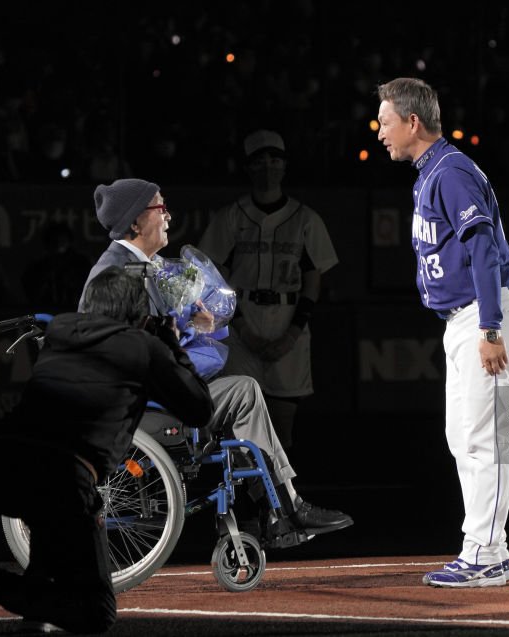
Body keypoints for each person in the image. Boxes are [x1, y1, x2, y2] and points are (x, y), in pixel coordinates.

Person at [0, 266, 214, 634]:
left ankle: (25, 610)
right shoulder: (144, 347)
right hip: (61, 477)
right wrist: (171, 345)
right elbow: (199, 410)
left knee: (51, 532)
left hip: (0, 464)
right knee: (95, 613)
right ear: (139, 312)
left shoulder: (61, 331)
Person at [79, 178, 352, 537]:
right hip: (142, 404)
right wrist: (180, 335)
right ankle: (285, 507)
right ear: (134, 221)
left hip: (151, 393)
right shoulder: (117, 273)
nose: (168, 217)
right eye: (160, 208)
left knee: (240, 388)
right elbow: (126, 349)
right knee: (244, 392)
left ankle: (272, 509)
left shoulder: (145, 266)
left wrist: (193, 321)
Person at [376, 78, 509, 587]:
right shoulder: (431, 172)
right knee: (463, 437)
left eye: (386, 121)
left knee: (484, 439)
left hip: (486, 316)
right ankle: (491, 547)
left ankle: (485, 553)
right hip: (466, 320)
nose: (380, 132)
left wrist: (490, 327)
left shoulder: (451, 172)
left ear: (412, 122)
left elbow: (483, 248)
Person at [198, 130, 339, 450]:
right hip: (241, 320)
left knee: (282, 423)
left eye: (274, 159)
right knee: (239, 423)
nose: (268, 167)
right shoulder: (231, 216)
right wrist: (242, 329)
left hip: (288, 320)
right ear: (248, 168)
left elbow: (313, 278)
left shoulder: (305, 218)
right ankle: (248, 497)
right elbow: (214, 278)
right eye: (259, 161)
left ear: (285, 165)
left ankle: (280, 497)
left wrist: (292, 333)